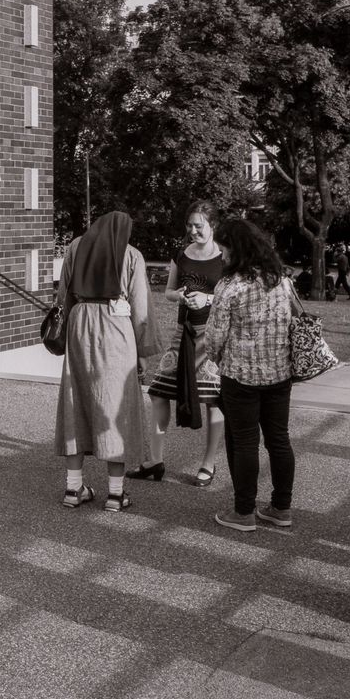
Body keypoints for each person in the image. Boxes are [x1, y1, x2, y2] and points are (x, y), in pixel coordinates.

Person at [54, 209, 161, 512]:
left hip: (80, 324)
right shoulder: (131, 255)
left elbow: (64, 296)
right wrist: (142, 354)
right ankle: (115, 494)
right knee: (117, 405)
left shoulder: (75, 247)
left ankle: (73, 489)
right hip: (116, 328)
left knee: (75, 403)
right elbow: (140, 312)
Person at [199, 216, 296, 533]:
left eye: (224, 249)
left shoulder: (230, 285)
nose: (221, 255)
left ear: (236, 249)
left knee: (243, 443)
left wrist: (217, 359)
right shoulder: (280, 279)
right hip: (280, 373)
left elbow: (213, 338)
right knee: (278, 440)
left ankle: (244, 512)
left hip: (240, 377)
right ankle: (281, 508)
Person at [137, 200, 227, 487]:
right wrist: (181, 296)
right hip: (183, 331)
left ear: (213, 225)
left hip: (212, 335)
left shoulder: (225, 256)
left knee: (214, 399)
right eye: (190, 225)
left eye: (199, 226)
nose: (193, 230)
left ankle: (208, 463)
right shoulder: (181, 253)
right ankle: (155, 459)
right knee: (159, 392)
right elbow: (168, 292)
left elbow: (233, 294)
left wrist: (207, 298)